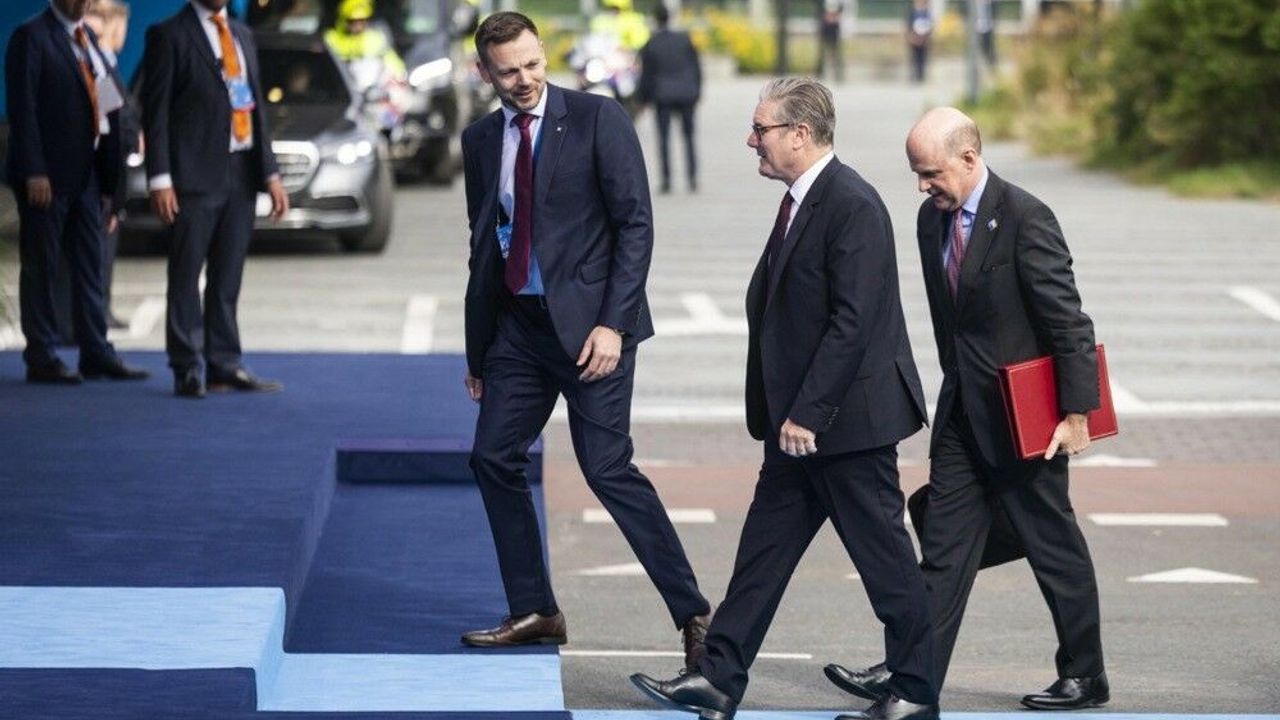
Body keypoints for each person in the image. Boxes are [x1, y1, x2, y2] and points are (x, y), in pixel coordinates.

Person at [630, 77, 939, 720]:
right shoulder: (803, 200)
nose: (752, 141)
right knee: (762, 555)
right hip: (797, 427)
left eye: (760, 129)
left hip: (844, 425)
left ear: (799, 134)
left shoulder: (851, 203)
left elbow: (854, 322)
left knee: (886, 562)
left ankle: (914, 691)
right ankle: (718, 678)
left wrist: (808, 412)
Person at [824, 107, 1108, 712]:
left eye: (931, 173)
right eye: (917, 174)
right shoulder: (931, 220)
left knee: (1052, 545)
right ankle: (912, 679)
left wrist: (1077, 413)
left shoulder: (1027, 218)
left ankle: (1085, 674)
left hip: (1026, 421)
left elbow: (1068, 322)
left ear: (969, 159)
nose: (922, 186)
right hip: (962, 416)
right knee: (943, 551)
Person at [458, 11, 711, 670]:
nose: (524, 80)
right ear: (485, 72)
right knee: (492, 457)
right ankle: (535, 609)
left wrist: (613, 325)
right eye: (508, 71)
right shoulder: (480, 139)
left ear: (544, 53)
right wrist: (479, 350)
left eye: (532, 64)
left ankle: (695, 618)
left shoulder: (599, 118)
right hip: (518, 329)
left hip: (593, 329)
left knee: (607, 469)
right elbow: (483, 245)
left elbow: (635, 225)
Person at [141, 0, 289, 398]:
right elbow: (155, 112)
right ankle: (187, 366)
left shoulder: (242, 34)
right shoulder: (169, 35)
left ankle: (224, 363)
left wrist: (271, 174)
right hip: (192, 177)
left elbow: (255, 108)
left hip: (241, 174)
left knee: (227, 275)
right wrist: (160, 178)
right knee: (186, 275)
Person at [4, 0, 149, 385]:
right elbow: (23, 109)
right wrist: (34, 170)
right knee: (43, 265)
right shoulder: (32, 37)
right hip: (48, 179)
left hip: (89, 176)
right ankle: (42, 356)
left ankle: (95, 351)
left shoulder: (89, 42)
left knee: (90, 265)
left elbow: (109, 106)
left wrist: (112, 183)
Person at [84, 0, 136, 330]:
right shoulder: (98, 67)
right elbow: (111, 123)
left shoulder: (105, 65)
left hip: (109, 171)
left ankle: (99, 312)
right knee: (96, 252)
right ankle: (93, 316)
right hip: (99, 173)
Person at [637, 4, 702, 194]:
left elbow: (646, 75)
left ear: (655, 19)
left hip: (662, 95)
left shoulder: (651, 43)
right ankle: (692, 177)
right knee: (688, 137)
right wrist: (697, 91)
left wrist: (642, 99)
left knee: (663, 138)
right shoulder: (684, 39)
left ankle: (666, 180)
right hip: (686, 94)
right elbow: (696, 68)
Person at [324, 0, 407, 83]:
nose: (358, 26)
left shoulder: (375, 37)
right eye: (353, 21)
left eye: (362, 21)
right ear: (344, 21)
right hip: (344, 84)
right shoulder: (331, 37)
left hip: (374, 85)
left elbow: (390, 57)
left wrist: (400, 74)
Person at [816, 0, 845, 84]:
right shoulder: (825, 19)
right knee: (824, 57)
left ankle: (837, 75)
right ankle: (822, 74)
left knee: (835, 57)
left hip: (834, 39)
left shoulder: (836, 20)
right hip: (827, 38)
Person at [906, 0, 934, 84]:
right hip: (914, 38)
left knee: (923, 58)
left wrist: (927, 37)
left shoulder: (927, 13)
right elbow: (908, 25)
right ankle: (913, 75)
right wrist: (911, 36)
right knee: (914, 57)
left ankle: (921, 76)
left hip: (924, 39)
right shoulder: (912, 13)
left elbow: (930, 25)